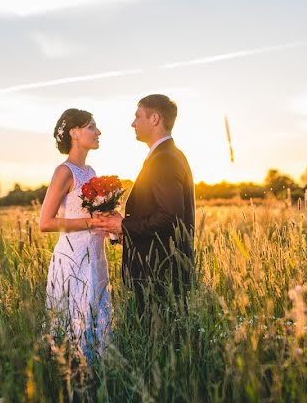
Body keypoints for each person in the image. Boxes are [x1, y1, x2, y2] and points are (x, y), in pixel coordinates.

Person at [91, 94, 195, 314]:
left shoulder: (164, 159)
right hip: (158, 270)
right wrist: (123, 233)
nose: (133, 123)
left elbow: (170, 218)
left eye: (138, 116)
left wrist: (123, 226)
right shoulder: (167, 154)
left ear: (155, 118)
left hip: (161, 273)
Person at [39, 108, 111, 362]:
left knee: (97, 318)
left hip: (96, 257)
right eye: (92, 126)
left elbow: (96, 213)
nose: (98, 132)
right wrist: (91, 222)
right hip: (73, 258)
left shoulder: (90, 171)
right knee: (75, 323)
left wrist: (108, 224)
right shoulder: (64, 171)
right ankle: (75, 379)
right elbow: (45, 222)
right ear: (74, 133)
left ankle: (97, 378)